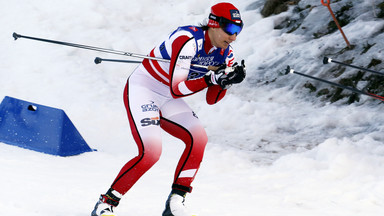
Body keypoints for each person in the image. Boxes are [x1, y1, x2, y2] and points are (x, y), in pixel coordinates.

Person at [91, 2, 246, 216]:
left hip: (168, 97)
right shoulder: (188, 40)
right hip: (145, 88)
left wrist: (226, 82)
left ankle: (175, 204)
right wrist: (211, 78)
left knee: (198, 139)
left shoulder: (226, 54)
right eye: (230, 29)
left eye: (239, 31)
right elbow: (178, 87)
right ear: (213, 23)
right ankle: (105, 204)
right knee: (151, 153)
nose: (233, 37)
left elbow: (212, 99)